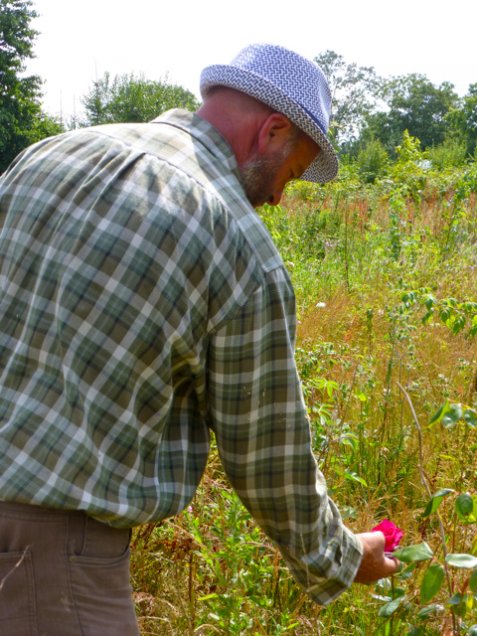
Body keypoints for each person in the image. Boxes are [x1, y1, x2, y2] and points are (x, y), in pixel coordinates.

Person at [0, 43, 399, 634]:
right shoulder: (236, 242)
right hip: (50, 561)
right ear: (273, 130)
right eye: (290, 172)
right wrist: (342, 556)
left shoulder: (47, 156)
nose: (281, 197)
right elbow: (266, 455)